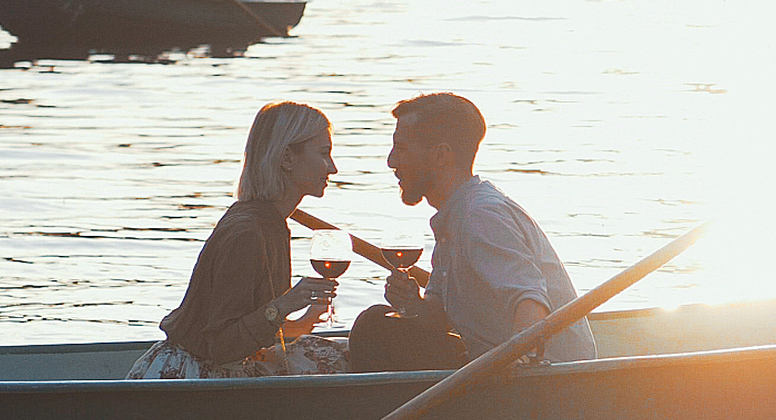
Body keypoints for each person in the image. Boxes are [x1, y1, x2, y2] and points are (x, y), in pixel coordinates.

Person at [358, 92, 595, 371]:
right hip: (489, 364)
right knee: (378, 323)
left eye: (401, 148)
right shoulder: (453, 216)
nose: (391, 161)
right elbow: (441, 318)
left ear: (440, 156)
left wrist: (523, 362)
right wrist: (412, 304)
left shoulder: (480, 217)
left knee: (372, 330)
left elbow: (530, 300)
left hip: (549, 376)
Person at [127, 101, 350, 379]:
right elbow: (222, 345)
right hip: (195, 377)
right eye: (323, 153)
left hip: (229, 365)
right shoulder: (246, 234)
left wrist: (306, 318)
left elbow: (258, 330)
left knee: (348, 352)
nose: (333, 168)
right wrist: (284, 304)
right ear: (287, 159)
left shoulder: (272, 223)